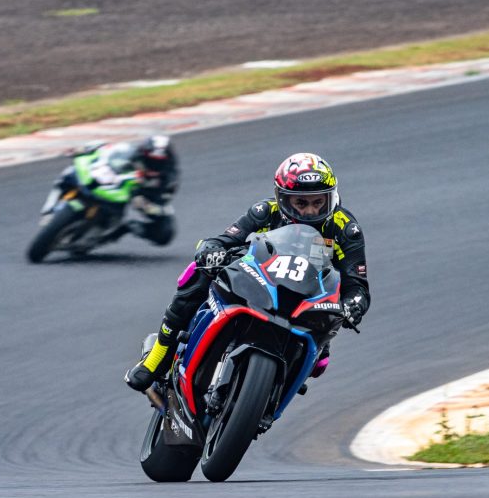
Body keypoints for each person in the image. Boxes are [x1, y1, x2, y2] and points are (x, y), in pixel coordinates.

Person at [124, 151, 369, 392]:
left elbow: (358, 285)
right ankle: (158, 357)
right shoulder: (266, 211)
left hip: (309, 302)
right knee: (197, 271)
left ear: (332, 197)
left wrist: (353, 305)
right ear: (283, 199)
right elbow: (222, 240)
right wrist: (211, 250)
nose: (310, 211)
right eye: (300, 203)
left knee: (320, 364)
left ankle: (270, 397)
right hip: (262, 286)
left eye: (318, 202)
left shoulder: (346, 229)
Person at [66, 135, 179, 246]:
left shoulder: (169, 181)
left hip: (136, 198)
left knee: (165, 233)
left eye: (158, 163)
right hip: (114, 183)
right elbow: (107, 150)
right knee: (74, 171)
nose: (153, 166)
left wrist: (146, 205)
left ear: (166, 163)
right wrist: (86, 150)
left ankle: (117, 230)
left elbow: (162, 204)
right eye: (150, 160)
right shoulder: (130, 152)